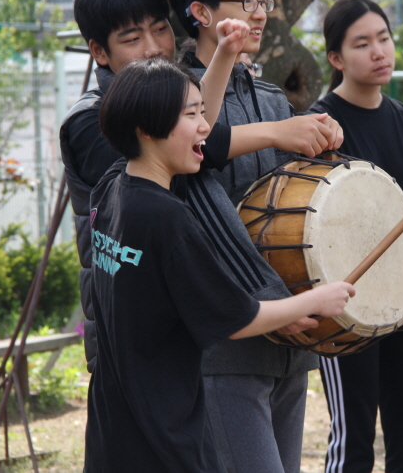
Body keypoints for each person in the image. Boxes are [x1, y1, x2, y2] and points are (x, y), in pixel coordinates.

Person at [60, 0, 338, 380]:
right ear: (99, 52)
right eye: (132, 39)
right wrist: (276, 132)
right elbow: (194, 147)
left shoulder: (192, 100)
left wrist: (226, 53)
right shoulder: (93, 122)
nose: (155, 48)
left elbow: (196, 131)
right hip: (143, 345)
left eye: (160, 30)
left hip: (211, 329)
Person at [85, 57, 355, 472]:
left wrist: (225, 52)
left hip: (113, 425)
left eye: (201, 112)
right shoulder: (168, 218)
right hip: (163, 434)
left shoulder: (113, 191)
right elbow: (237, 317)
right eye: (191, 115)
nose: (205, 126)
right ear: (146, 128)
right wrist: (317, 299)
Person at [166, 0, 346, 472]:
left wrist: (323, 141)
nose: (261, 13)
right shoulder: (166, 98)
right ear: (200, 12)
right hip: (226, 337)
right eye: (245, 0)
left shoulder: (270, 96)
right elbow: (191, 171)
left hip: (291, 330)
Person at [307, 0, 403, 473]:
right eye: (362, 43)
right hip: (342, 303)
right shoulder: (321, 125)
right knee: (354, 446)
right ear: (336, 58)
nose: (378, 52)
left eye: (384, 39)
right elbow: (321, 220)